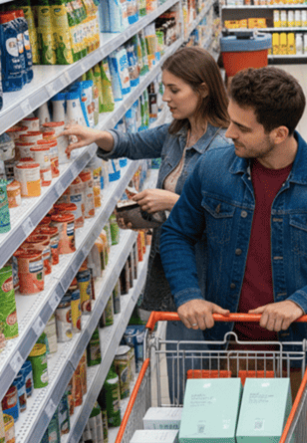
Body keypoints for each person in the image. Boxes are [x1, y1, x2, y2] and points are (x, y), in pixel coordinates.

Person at [158, 67, 307, 443]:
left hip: (302, 353)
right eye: (231, 121)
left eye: (242, 127)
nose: (228, 133)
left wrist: (300, 302)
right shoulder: (213, 169)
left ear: (279, 133)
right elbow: (177, 233)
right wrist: (188, 294)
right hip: (231, 346)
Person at [62, 46, 231, 401]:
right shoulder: (177, 134)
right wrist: (97, 136)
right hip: (176, 271)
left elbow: (230, 216)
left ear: (203, 90)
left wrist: (172, 202)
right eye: (164, 88)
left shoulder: (224, 146)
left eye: (174, 89)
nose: (165, 97)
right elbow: (133, 143)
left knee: (199, 372)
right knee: (183, 368)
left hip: (206, 274)